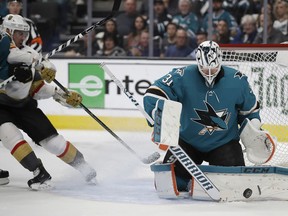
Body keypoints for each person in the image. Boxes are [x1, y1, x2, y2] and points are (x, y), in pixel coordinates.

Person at [143, 40, 273, 193]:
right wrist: (159, 117)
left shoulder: (237, 80)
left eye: (214, 67)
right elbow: (153, 93)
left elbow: (250, 112)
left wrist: (254, 131)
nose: (210, 72)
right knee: (171, 186)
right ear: (198, 61)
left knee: (233, 187)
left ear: (220, 60)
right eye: (205, 67)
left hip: (224, 144)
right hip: (187, 144)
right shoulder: (182, 75)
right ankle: (185, 175)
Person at [0, 14, 96, 189]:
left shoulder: (30, 53)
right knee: (9, 134)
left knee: (53, 142)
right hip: (1, 106)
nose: (23, 37)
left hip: (24, 105)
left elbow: (36, 88)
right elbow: (13, 59)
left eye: (24, 33)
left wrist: (59, 93)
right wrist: (33, 64)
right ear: (8, 31)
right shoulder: (7, 51)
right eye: (19, 33)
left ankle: (84, 167)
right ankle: (39, 172)